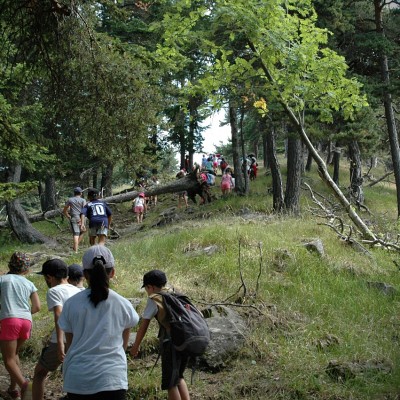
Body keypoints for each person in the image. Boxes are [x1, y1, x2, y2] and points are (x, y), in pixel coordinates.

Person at [58, 245, 139, 400]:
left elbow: (71, 343)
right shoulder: (123, 304)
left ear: (84, 274)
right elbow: (123, 343)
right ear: (112, 272)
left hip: (78, 379)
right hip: (112, 378)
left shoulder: (71, 304)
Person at [130, 270, 190, 400]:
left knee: (170, 384)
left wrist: (135, 346)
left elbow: (144, 326)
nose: (147, 292)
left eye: (146, 288)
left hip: (171, 344)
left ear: (150, 287)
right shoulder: (175, 292)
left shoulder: (155, 299)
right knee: (179, 377)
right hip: (186, 340)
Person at [32, 259, 82, 400]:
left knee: (40, 372)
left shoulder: (54, 291)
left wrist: (60, 343)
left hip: (63, 339)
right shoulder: (77, 290)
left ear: (50, 277)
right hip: (79, 337)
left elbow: (59, 315)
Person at [0, 252, 41, 400]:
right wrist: (23, 314)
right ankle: (12, 389)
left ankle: (25, 386)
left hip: (10, 320)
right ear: (26, 269)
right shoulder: (29, 283)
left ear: (10, 265)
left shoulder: (2, 280)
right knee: (14, 354)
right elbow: (37, 307)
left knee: (8, 359)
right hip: (26, 321)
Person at [63, 187, 86, 253]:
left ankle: (75, 248)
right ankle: (75, 249)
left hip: (74, 217)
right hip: (82, 217)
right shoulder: (83, 200)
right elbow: (84, 210)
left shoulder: (70, 200)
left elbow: (64, 210)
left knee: (76, 234)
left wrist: (68, 216)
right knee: (82, 231)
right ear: (81, 193)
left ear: (74, 193)